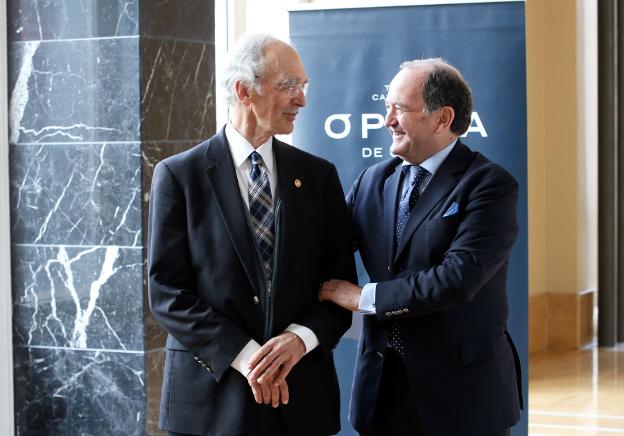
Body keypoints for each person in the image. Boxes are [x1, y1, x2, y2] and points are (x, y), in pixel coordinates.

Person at [148, 34, 355, 436]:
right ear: (245, 91)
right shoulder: (179, 176)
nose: (302, 100)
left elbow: (339, 286)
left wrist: (299, 340)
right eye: (288, 86)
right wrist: (248, 358)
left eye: (303, 86)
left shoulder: (318, 177)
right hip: (211, 401)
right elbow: (166, 292)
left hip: (301, 400)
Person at [319, 58, 523, 436]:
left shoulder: (489, 185)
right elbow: (323, 249)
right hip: (382, 391)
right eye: (386, 108)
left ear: (443, 118)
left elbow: (457, 279)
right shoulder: (371, 181)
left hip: (462, 397)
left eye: (400, 109)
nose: (387, 120)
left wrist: (364, 297)